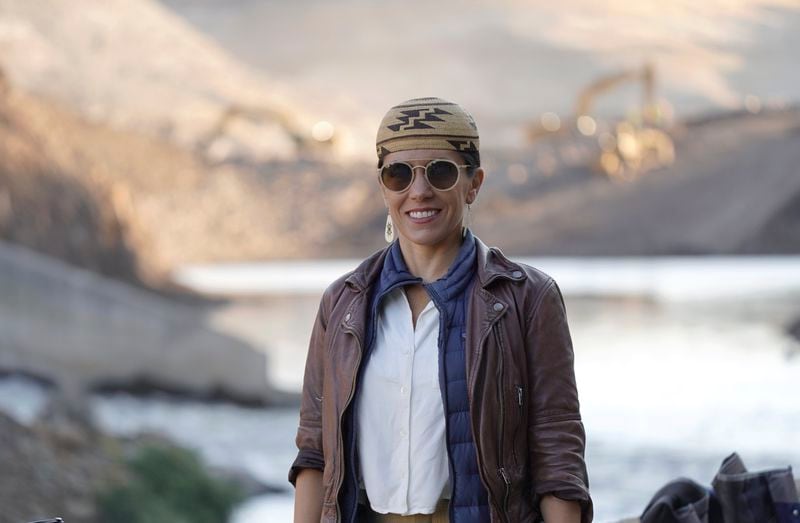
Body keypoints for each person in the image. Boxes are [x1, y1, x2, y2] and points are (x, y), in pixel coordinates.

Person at [290, 97, 592, 522]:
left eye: (441, 172)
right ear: (383, 187)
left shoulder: (528, 299)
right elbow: (314, 451)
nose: (419, 191)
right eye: (399, 174)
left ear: (474, 183)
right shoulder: (343, 302)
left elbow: (557, 452)